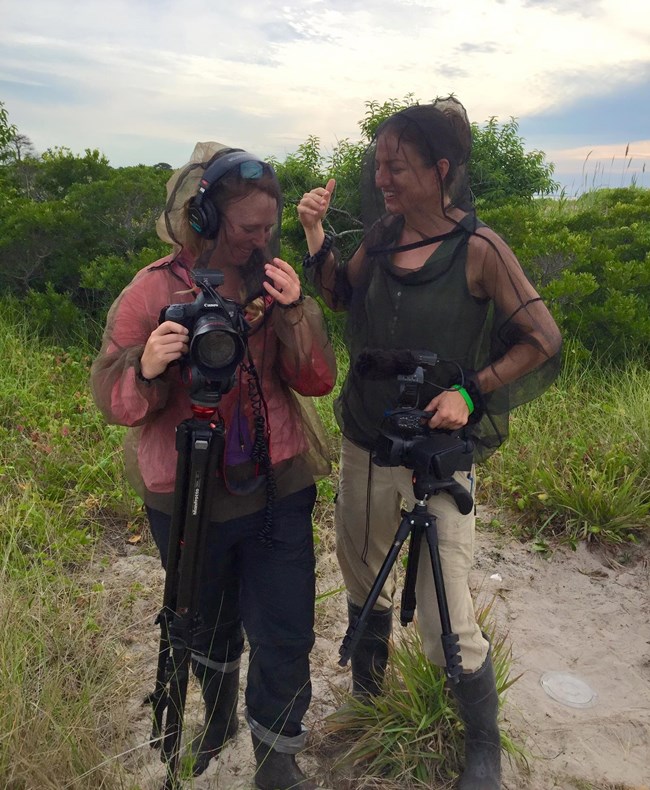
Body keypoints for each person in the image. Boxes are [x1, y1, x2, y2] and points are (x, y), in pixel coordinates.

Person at [297, 97, 562, 790]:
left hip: (439, 461)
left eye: (398, 167)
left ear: (440, 169)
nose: (383, 179)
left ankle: (483, 750)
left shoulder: (481, 249)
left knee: (448, 612)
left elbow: (543, 339)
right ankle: (368, 703)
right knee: (362, 580)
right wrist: (318, 237)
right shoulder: (382, 236)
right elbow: (341, 296)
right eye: (379, 165)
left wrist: (471, 392)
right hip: (367, 439)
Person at [91, 142, 336, 790]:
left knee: (285, 623)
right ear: (203, 218)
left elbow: (316, 379)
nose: (258, 239)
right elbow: (112, 397)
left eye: (267, 226)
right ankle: (219, 714)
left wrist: (293, 312)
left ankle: (275, 758)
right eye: (244, 227)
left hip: (275, 477)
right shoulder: (154, 289)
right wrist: (147, 365)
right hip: (182, 485)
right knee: (202, 618)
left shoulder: (273, 277)